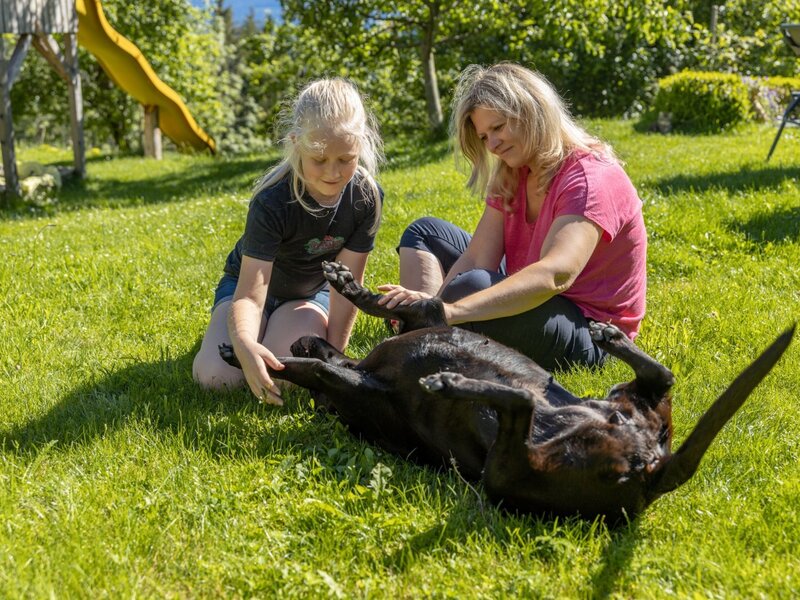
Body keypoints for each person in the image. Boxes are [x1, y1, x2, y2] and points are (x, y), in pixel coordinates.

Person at [378, 63, 647, 371]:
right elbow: (478, 257)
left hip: (593, 333)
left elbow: (556, 275)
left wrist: (452, 311)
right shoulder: (513, 173)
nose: (492, 145)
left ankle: (424, 336)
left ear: (532, 111)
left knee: (471, 286)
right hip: (536, 299)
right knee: (426, 232)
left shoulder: (589, 178)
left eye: (498, 127)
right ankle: (420, 329)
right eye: (484, 137)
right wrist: (436, 304)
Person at [193, 78, 383, 403]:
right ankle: (238, 331)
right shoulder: (272, 199)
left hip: (307, 296)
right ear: (296, 144)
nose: (333, 173)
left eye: (345, 159)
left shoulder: (366, 198)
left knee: (290, 375)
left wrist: (334, 357)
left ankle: (272, 331)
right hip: (247, 291)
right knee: (216, 378)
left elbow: (346, 286)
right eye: (319, 160)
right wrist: (245, 343)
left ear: (361, 144)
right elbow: (250, 294)